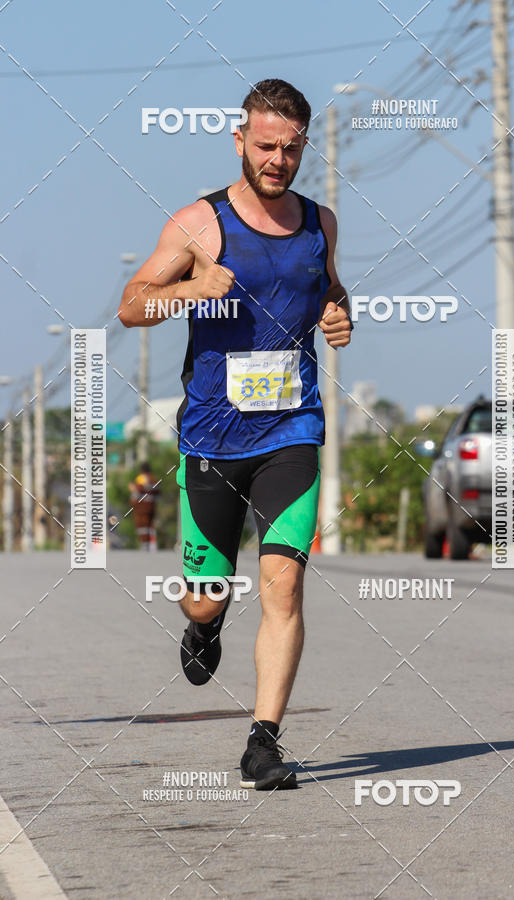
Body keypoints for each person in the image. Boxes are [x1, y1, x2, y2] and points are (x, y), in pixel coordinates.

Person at [118, 78, 352, 790]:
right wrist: (190, 289)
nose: (277, 160)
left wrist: (341, 317)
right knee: (206, 594)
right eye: (265, 146)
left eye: (290, 148)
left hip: (292, 430)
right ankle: (203, 626)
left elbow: (330, 293)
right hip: (213, 441)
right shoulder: (200, 224)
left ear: (303, 145)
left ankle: (263, 741)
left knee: (283, 587)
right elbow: (132, 305)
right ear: (240, 140)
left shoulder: (321, 222)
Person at [128, 461, 160, 550]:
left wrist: (133, 487)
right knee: (150, 524)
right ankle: (150, 544)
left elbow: (138, 490)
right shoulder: (154, 478)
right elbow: (157, 492)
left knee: (142, 525)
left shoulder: (141, 478)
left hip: (142, 507)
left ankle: (145, 544)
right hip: (152, 505)